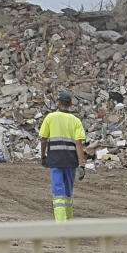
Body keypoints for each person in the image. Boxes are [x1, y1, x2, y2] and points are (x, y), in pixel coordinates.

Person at [39, 90, 87, 221]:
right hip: (71, 161)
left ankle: (61, 222)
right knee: (68, 192)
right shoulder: (76, 121)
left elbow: (43, 139)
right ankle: (69, 220)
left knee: (58, 190)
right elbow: (78, 144)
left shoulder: (50, 118)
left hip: (55, 160)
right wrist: (82, 165)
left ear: (58, 103)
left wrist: (43, 156)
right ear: (71, 104)